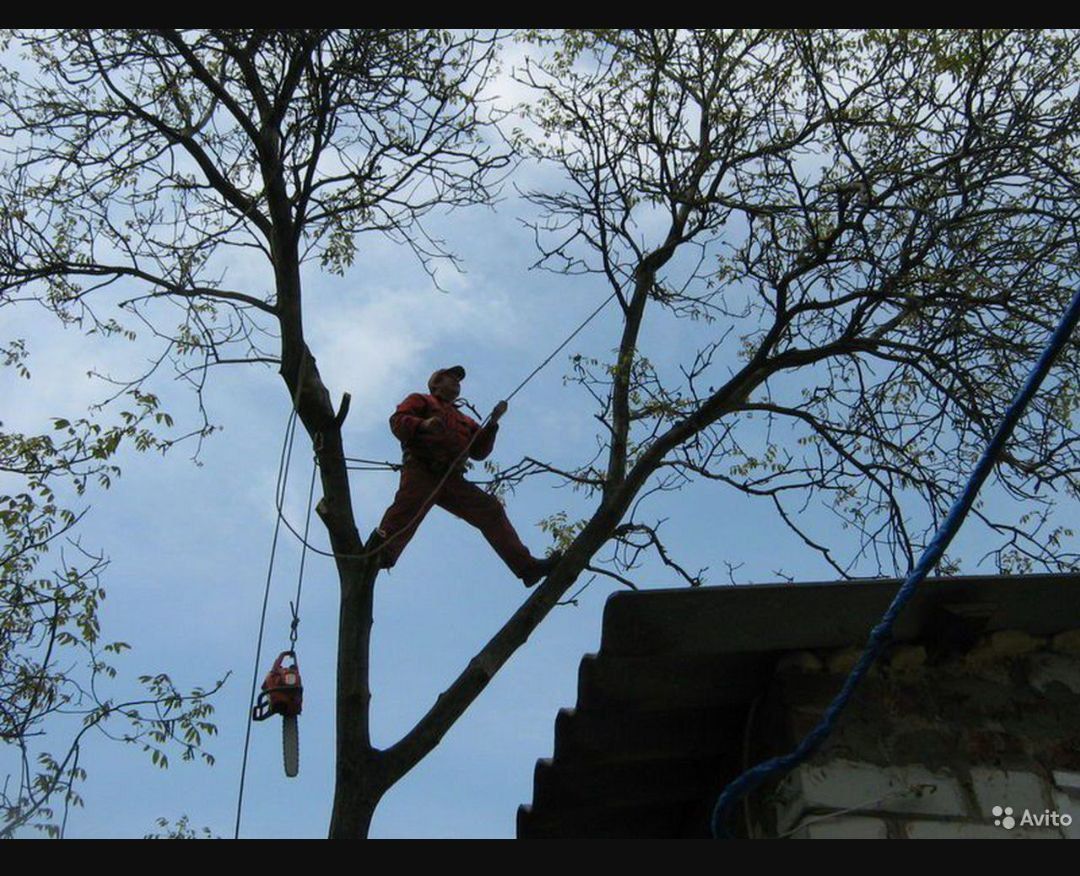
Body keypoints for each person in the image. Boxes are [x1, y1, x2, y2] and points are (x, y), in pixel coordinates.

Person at [370, 365, 562, 587]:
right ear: (436, 383)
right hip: (422, 469)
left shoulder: (463, 419)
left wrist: (492, 424)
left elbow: (479, 451)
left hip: (451, 479)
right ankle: (378, 554)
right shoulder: (420, 400)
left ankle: (527, 568)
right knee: (407, 509)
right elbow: (398, 421)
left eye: (458, 382)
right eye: (451, 379)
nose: (456, 384)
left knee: (490, 510)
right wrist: (423, 424)